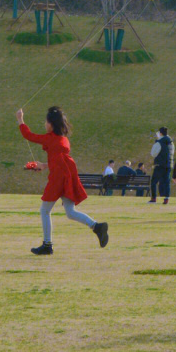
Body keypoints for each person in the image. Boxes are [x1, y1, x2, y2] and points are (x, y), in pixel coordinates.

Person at [17, 106, 108, 255]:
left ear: (51, 124)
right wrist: (44, 166)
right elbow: (59, 160)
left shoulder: (50, 138)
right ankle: (97, 227)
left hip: (59, 178)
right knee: (70, 212)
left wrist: (20, 120)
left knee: (45, 210)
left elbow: (28, 135)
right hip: (67, 176)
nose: (44, 125)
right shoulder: (63, 140)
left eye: (46, 122)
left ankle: (47, 245)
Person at [149, 127, 173, 204]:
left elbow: (153, 154)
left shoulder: (159, 142)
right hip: (168, 164)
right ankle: (166, 199)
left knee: (154, 181)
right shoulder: (171, 142)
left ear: (160, 133)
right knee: (167, 182)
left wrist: (157, 141)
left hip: (159, 165)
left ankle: (153, 198)